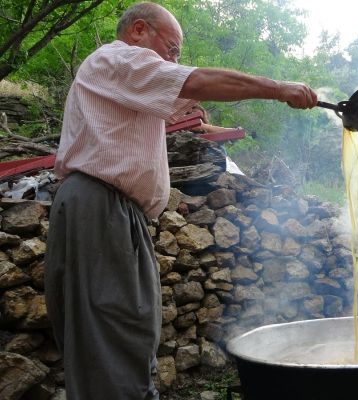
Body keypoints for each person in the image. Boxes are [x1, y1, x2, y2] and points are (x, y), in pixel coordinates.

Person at [43, 2, 317, 400]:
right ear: (139, 31)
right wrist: (276, 89)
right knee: (115, 331)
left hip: (107, 209)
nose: (174, 61)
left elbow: (186, 106)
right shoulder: (118, 58)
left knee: (117, 333)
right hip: (101, 207)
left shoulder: (124, 81)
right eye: (171, 50)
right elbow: (197, 82)